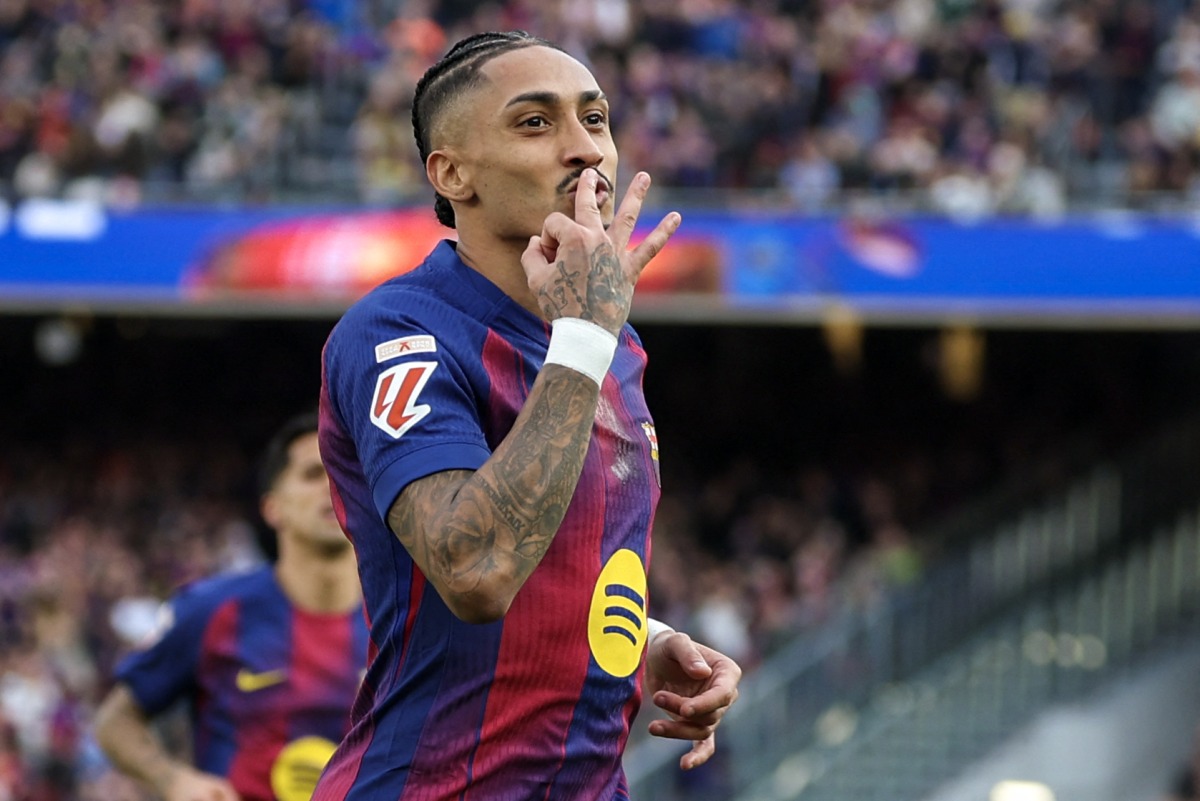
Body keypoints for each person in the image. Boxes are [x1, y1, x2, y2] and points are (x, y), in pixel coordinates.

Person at [314, 30, 742, 800]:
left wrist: (648, 639)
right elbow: (475, 571)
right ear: (452, 173)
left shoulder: (611, 342)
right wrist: (581, 337)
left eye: (596, 118)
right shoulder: (400, 333)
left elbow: (565, 547)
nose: (584, 150)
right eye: (535, 123)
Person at [94, 412, 368, 801]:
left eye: (345, 470)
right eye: (311, 474)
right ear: (273, 507)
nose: (333, 485)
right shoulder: (212, 611)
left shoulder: (406, 623)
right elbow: (114, 722)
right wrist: (173, 780)